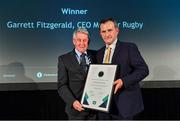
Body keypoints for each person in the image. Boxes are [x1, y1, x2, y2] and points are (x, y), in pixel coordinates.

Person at [97, 18, 149, 120]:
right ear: (100, 33)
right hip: (103, 106)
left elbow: (143, 70)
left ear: (117, 30)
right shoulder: (99, 53)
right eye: (103, 31)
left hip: (124, 106)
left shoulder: (129, 48)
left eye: (110, 30)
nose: (107, 34)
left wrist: (123, 81)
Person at [57, 28, 97, 120]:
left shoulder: (96, 55)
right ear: (74, 41)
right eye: (79, 40)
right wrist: (73, 102)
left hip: (95, 109)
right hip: (76, 110)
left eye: (85, 40)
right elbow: (62, 85)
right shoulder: (64, 59)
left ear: (88, 41)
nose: (82, 43)